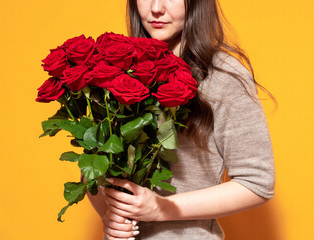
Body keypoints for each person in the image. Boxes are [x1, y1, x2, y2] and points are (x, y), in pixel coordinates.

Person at [84, 0, 276, 239]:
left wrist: (161, 208)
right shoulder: (117, 67)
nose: (156, 8)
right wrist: (111, 218)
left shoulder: (224, 77)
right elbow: (92, 169)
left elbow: (257, 183)